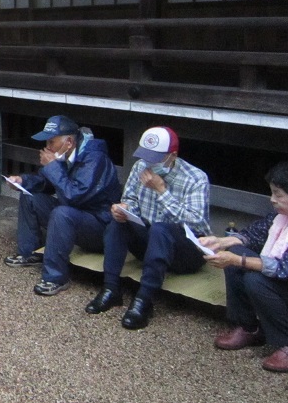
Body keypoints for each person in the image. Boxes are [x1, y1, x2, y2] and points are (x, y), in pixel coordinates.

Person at [85, 127, 211, 329]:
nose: (149, 163)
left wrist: (161, 191)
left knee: (161, 229)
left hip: (185, 252)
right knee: (119, 222)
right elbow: (130, 199)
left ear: (172, 156)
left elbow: (197, 223)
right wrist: (123, 209)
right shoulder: (139, 167)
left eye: (155, 158)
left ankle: (144, 300)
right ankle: (110, 289)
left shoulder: (196, 178)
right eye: (146, 156)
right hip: (150, 243)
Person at [3, 115, 121, 296]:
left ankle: (55, 277)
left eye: (51, 142)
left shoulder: (94, 159)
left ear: (69, 142)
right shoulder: (66, 155)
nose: (47, 147)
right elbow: (47, 183)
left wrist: (52, 167)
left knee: (62, 212)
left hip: (100, 226)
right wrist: (23, 181)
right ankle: (29, 252)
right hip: (79, 216)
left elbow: (74, 197)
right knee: (30, 197)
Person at [201, 161, 288, 373]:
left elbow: (285, 268)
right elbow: (253, 236)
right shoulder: (281, 217)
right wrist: (220, 242)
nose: (272, 200)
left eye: (279, 194)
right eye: (272, 193)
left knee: (253, 277)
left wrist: (237, 261)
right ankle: (249, 327)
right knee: (236, 254)